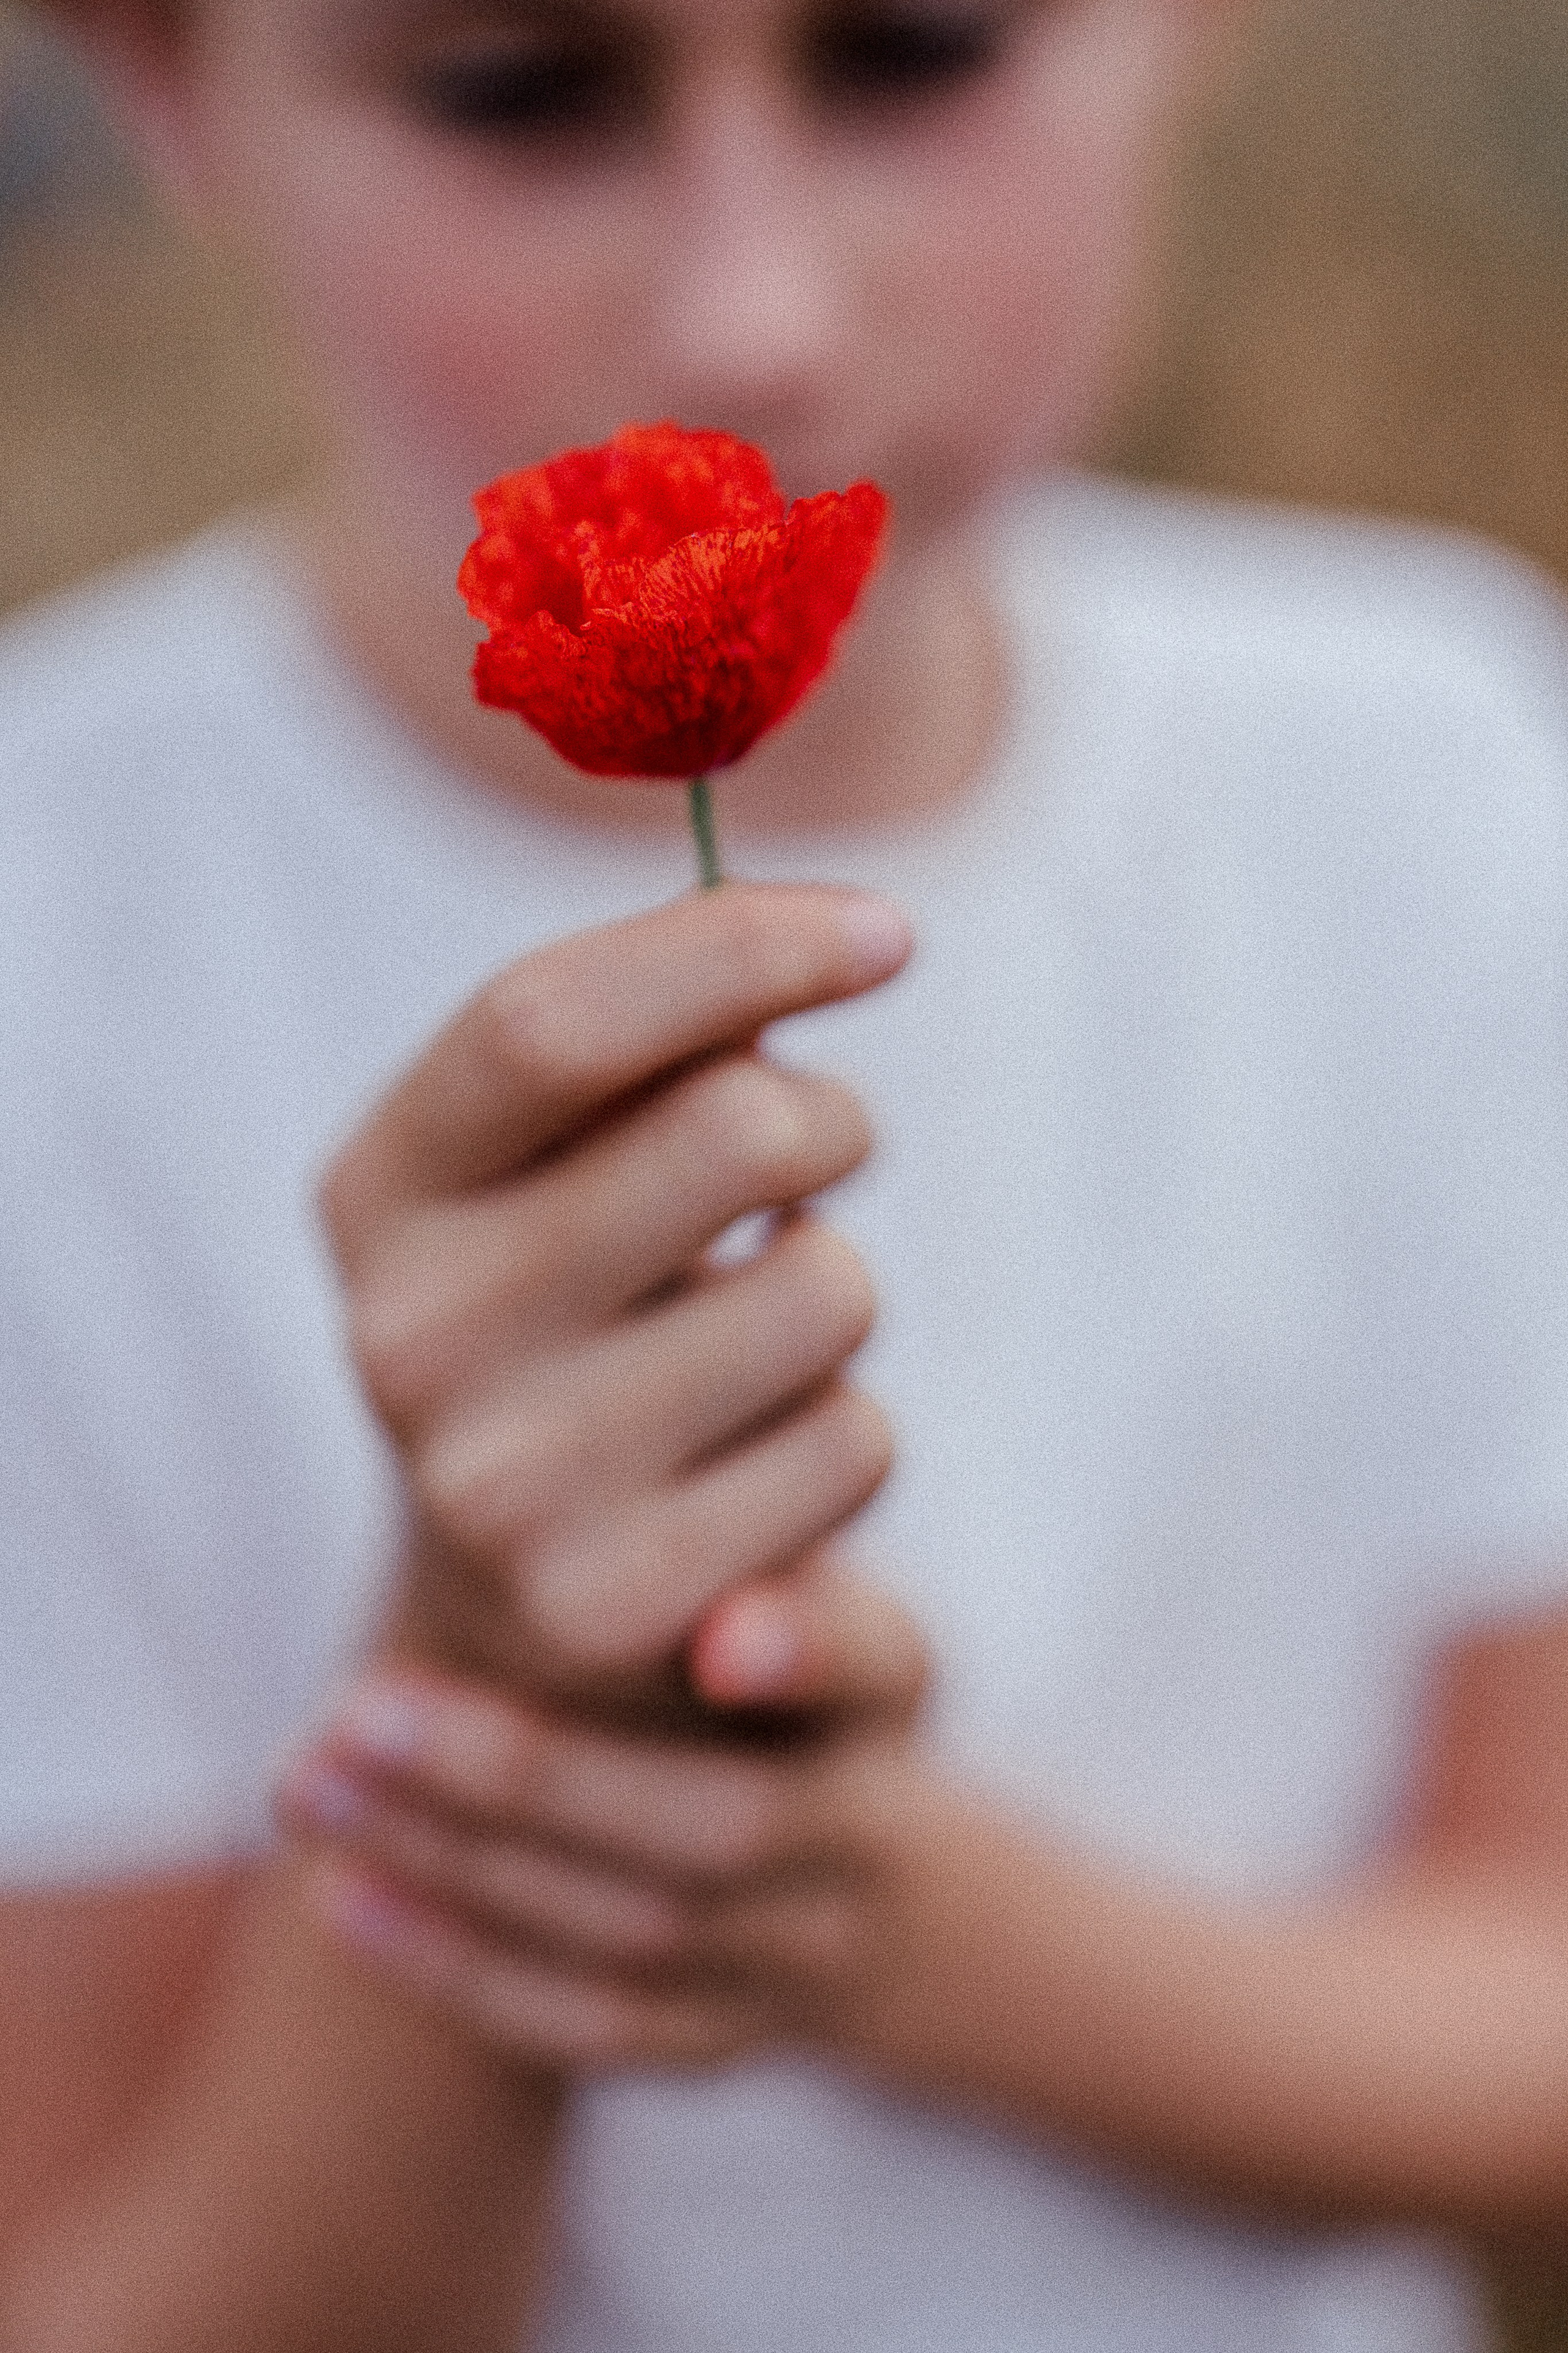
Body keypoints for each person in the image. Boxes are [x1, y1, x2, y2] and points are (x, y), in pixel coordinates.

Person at [5, 0, 1568, 2347]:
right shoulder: (51, 933)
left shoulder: (1426, 758)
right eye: (515, 96)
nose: (752, 313)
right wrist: (488, 1705)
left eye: (915, 57)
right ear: (160, 90)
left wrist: (896, 1926)